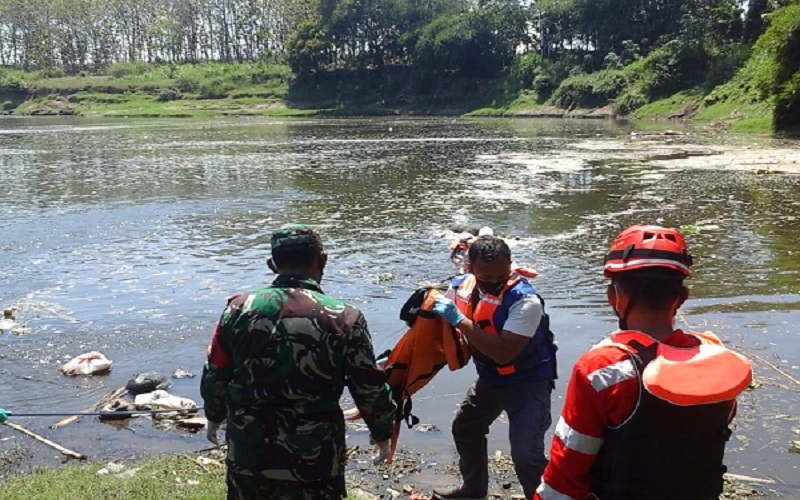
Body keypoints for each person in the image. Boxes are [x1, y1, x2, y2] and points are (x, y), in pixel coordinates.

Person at [535, 225, 753, 500]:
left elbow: (568, 469)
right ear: (682, 298)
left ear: (612, 296)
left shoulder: (602, 368)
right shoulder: (718, 359)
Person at [200, 224, 397, 500]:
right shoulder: (345, 317)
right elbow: (368, 385)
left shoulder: (238, 309)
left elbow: (216, 372)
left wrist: (214, 414)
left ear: (272, 264)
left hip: (250, 449)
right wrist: (382, 431)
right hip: (315, 455)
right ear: (323, 260)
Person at [429, 235, 558, 500]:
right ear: (470, 268)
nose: (494, 282)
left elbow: (503, 353)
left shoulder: (526, 302)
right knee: (466, 427)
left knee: (526, 455)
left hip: (528, 381)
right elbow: (436, 335)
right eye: (486, 276)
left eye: (501, 273)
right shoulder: (462, 288)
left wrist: (459, 320)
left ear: (510, 265)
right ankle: (472, 492)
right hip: (491, 380)